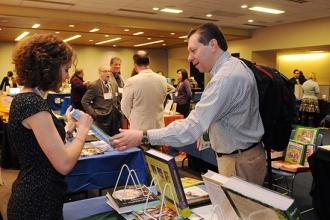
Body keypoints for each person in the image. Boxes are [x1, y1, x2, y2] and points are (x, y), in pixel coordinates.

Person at [112, 23, 266, 185]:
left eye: (193, 50)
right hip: (244, 156)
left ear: (213, 45)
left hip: (238, 161)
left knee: (237, 210)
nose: (189, 57)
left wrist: (143, 135)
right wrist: (205, 129)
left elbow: (190, 129)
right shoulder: (236, 66)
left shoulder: (225, 78)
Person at [7, 33, 93, 219]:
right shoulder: (33, 104)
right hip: (37, 201)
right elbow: (64, 164)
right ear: (50, 68)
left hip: (38, 194)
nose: (67, 76)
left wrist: (69, 128)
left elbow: (40, 147)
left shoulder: (26, 99)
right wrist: (83, 131)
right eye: (66, 69)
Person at [121, 50, 167, 130]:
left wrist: (134, 118)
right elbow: (162, 100)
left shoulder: (131, 81)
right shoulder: (162, 79)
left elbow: (125, 107)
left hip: (139, 129)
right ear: (149, 62)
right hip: (158, 127)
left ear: (135, 65)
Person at [81, 65, 121, 136]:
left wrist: (119, 110)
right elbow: (84, 101)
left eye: (109, 71)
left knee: (115, 139)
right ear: (100, 73)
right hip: (102, 119)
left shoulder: (114, 84)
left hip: (115, 118)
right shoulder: (94, 85)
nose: (108, 73)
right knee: (103, 141)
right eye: (105, 71)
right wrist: (94, 114)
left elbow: (117, 99)